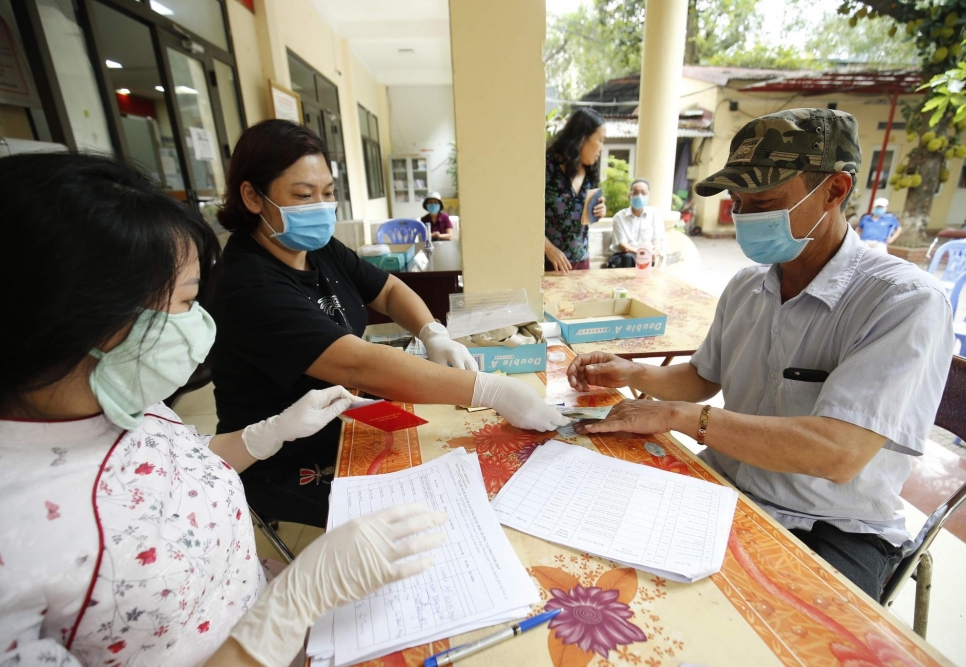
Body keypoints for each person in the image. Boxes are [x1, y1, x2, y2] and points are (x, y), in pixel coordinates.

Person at [0, 152, 448, 667]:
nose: (198, 322)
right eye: (188, 301)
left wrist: (267, 433)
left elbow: (165, 472)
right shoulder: (15, 541)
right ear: (74, 318)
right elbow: (362, 365)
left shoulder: (120, 398)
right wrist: (288, 608)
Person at [565, 109, 954, 601]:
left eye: (764, 201)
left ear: (834, 190)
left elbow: (837, 453)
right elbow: (704, 377)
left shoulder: (903, 302)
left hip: (832, 525)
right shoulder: (749, 284)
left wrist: (677, 416)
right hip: (725, 485)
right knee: (604, 570)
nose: (745, 216)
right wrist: (629, 372)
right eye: (738, 201)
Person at [209, 120, 567, 528]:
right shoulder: (249, 284)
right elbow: (357, 363)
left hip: (346, 419)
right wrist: (491, 389)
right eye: (303, 196)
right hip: (286, 455)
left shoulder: (318, 248)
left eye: (328, 193)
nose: (321, 207)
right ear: (252, 196)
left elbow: (389, 290)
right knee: (443, 512)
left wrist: (432, 331)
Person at [544, 107, 607, 273]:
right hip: (548, 263)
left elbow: (586, 218)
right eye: (600, 140)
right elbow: (526, 215)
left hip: (582, 262)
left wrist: (599, 211)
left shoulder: (591, 173)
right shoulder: (547, 167)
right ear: (582, 139)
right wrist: (548, 249)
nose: (602, 148)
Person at [606, 178, 664, 268]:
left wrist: (656, 248)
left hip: (646, 257)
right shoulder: (619, 217)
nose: (639, 196)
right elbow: (623, 246)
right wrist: (643, 253)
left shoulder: (655, 214)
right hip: (623, 257)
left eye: (643, 193)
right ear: (629, 196)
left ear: (648, 195)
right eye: (635, 193)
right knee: (628, 258)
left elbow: (657, 239)